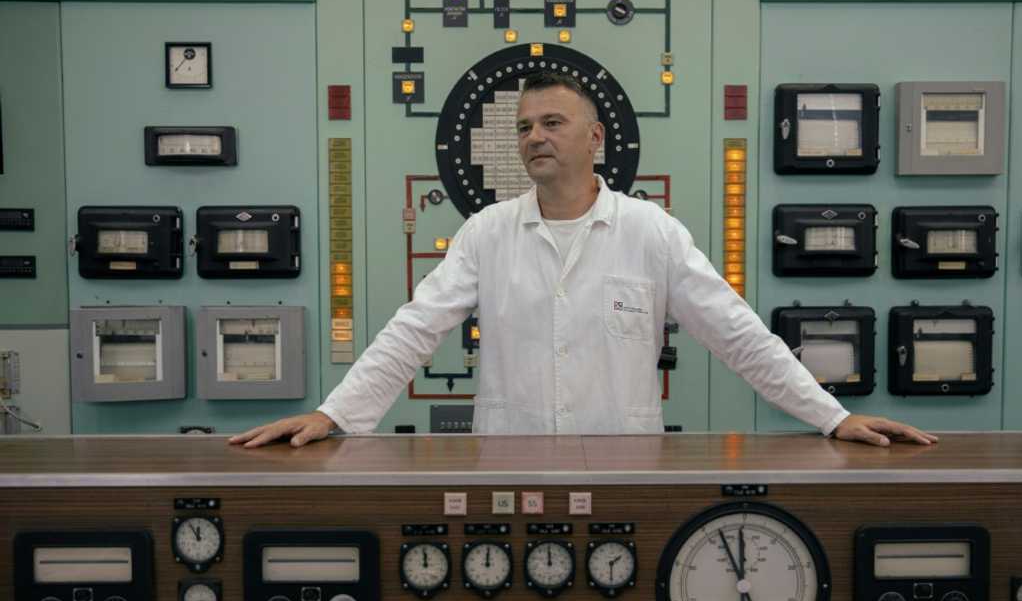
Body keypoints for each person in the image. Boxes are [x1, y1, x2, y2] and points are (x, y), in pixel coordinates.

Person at [231, 72, 936, 450]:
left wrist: (831, 416)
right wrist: (335, 415)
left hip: (625, 470)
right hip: (506, 469)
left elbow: (738, 335)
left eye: (553, 123)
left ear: (594, 136)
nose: (536, 137)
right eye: (526, 127)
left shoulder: (650, 232)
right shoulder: (486, 232)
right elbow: (413, 331)